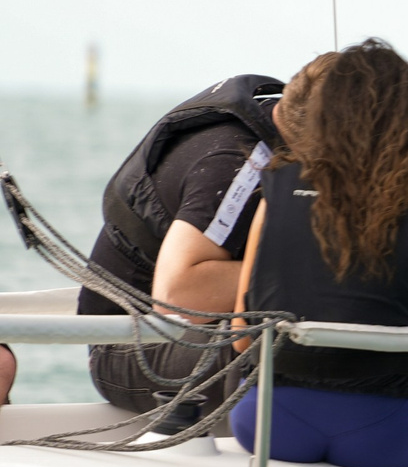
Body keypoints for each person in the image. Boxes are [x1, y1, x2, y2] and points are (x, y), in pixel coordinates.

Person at [229, 44, 408, 467]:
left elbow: (240, 334)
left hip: (269, 426)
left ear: (322, 115)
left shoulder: (274, 198)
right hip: (386, 436)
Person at [77, 73, 286, 422]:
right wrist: (318, 273)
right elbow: (178, 293)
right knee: (296, 343)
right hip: (129, 346)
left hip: (202, 331)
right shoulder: (242, 162)